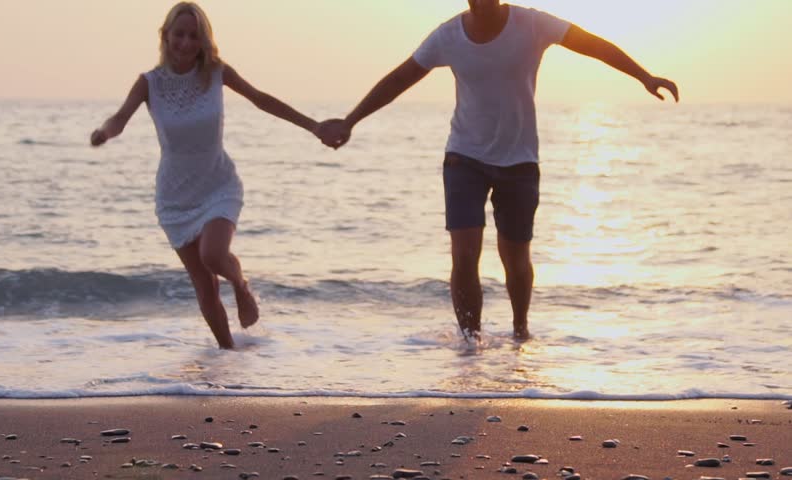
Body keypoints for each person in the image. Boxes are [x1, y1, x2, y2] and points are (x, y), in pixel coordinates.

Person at [316, 0, 678, 341]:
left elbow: (592, 45)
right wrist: (350, 121)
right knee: (464, 252)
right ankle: (470, 343)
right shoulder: (448, 36)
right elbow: (399, 79)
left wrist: (644, 77)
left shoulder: (532, 24)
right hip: (464, 158)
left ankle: (520, 331)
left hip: (519, 160)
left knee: (516, 258)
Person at [90, 2, 321, 349]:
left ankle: (241, 285)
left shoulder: (216, 73)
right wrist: (104, 133)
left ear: (203, 41)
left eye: (193, 36)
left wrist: (314, 126)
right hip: (174, 196)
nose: (184, 42)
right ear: (165, 36)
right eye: (178, 34)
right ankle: (227, 354)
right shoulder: (149, 83)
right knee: (204, 283)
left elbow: (261, 99)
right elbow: (119, 118)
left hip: (218, 184)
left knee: (213, 256)